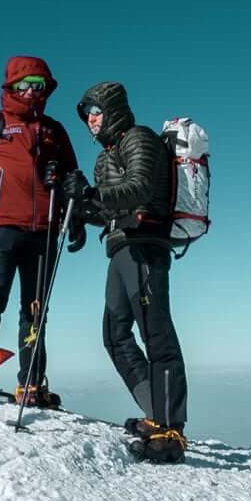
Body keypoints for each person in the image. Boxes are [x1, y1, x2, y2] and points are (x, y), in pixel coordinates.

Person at [65, 80, 189, 463]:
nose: (91, 121)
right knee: (115, 335)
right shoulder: (104, 157)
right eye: (87, 116)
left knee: (156, 333)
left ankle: (171, 431)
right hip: (119, 247)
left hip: (146, 245)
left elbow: (137, 188)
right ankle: (157, 413)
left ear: (113, 108)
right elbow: (108, 208)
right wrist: (81, 214)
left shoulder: (140, 139)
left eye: (96, 112)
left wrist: (94, 195)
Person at [0, 56, 84, 405]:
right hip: (2, 226)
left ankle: (31, 383)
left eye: (38, 85)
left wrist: (77, 220)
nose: (31, 91)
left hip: (45, 229)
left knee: (35, 309)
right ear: (10, 86)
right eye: (24, 84)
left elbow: (74, 180)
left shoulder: (54, 131)